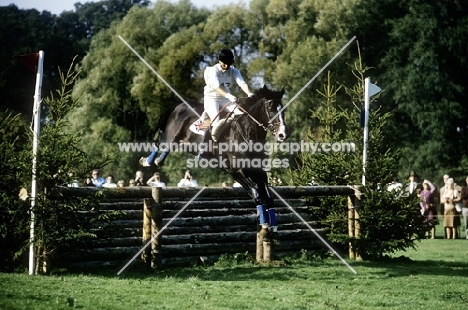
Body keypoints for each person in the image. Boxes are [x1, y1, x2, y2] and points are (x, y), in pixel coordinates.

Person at [192, 48, 255, 143]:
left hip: (224, 98)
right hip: (211, 99)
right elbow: (217, 87)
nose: (226, 66)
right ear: (219, 61)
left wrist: (249, 93)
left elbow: (242, 83)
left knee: (241, 115)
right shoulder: (214, 71)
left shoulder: (234, 71)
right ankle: (203, 149)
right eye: (224, 63)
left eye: (228, 63)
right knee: (216, 121)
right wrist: (228, 95)